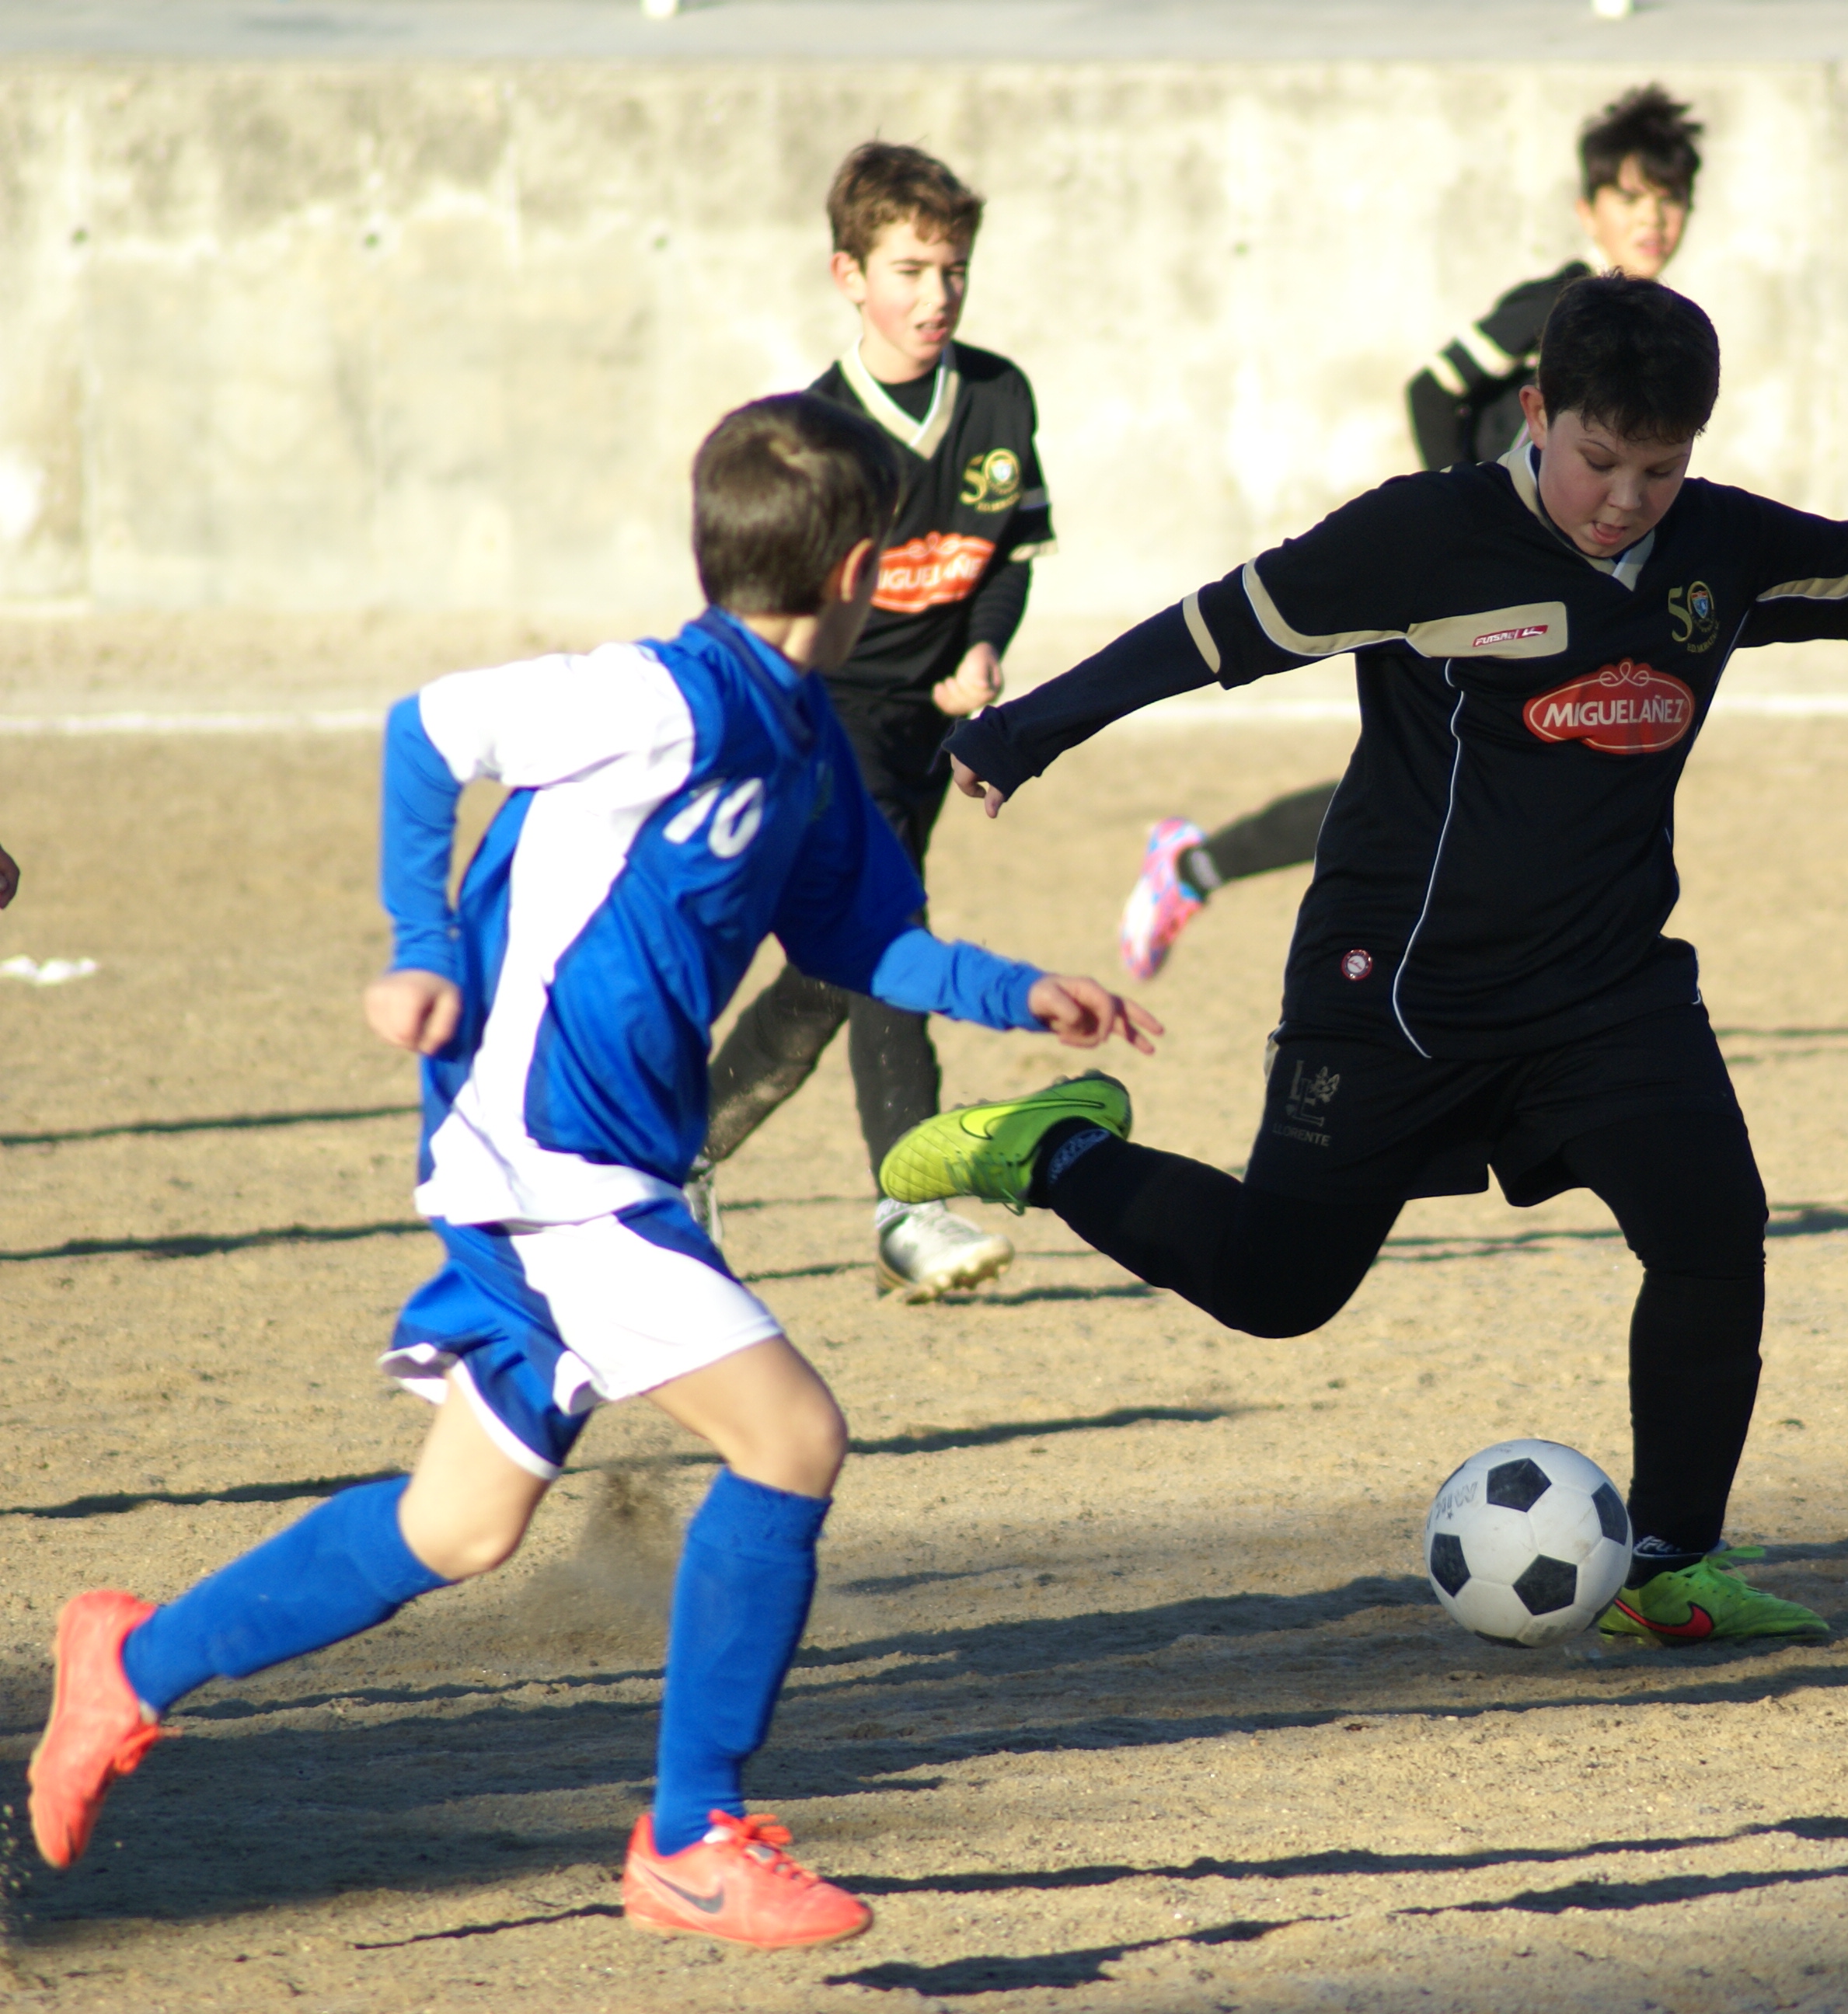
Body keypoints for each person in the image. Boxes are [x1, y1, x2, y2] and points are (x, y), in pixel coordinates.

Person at [23, 395, 1155, 1947]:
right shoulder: (655, 697)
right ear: (862, 568)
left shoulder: (806, 737)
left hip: (602, 1155)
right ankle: (692, 1831)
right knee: (794, 1435)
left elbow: (851, 937)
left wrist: (1012, 991)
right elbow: (427, 730)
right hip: (544, 1152)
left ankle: (128, 1666)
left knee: (459, 1530)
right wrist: (425, 945)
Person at [898, 276, 1848, 1643]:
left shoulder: (1719, 553)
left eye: (1660, 468)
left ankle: (1672, 1558)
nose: (1626, 497)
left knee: (1709, 1233)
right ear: (1534, 411)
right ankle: (1053, 1147)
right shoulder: (1420, 538)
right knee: (1277, 1288)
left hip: (1606, 991)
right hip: (1395, 991)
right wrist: (1023, 729)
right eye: (1598, 460)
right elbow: (1210, 630)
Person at [1116, 85, 1706, 981]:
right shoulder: (1552, 310)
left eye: (1669, 200)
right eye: (1631, 197)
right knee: (1426, 790)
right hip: (1485, 596)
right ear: (1588, 209)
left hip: (1564, 599)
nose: (1653, 219)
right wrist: (1463, 532)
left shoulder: (1659, 341)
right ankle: (1198, 868)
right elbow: (1431, 389)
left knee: (1506, 785)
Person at [689, 141, 1059, 1302]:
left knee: (839, 968)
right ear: (849, 277)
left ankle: (678, 1154)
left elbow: (1009, 557)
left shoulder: (999, 397)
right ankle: (912, 1203)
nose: (935, 295)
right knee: (889, 937)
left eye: (951, 270)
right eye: (908, 270)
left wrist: (983, 647)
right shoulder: (818, 432)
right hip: (829, 720)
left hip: (925, 730)